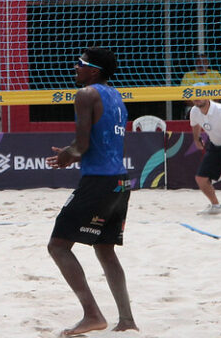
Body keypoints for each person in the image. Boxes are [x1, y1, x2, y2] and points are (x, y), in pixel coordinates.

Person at [46, 48, 138, 336]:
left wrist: (67, 155)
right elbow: (101, 144)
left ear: (94, 71)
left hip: (97, 182)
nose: (76, 67)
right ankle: (126, 320)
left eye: (81, 64)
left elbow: (82, 145)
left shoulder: (86, 95)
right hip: (120, 182)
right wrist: (70, 153)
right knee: (105, 250)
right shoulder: (117, 97)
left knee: (58, 246)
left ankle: (92, 315)